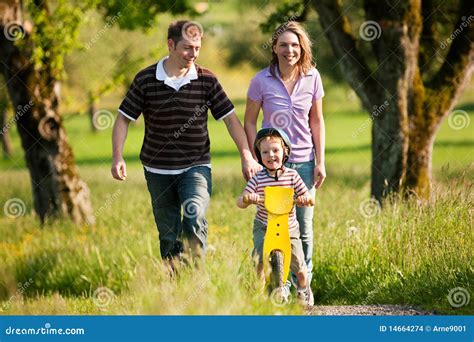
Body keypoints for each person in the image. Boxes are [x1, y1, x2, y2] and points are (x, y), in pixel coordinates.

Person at [111, 20, 259, 269]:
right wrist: (117, 157)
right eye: (187, 48)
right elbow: (123, 120)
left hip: (196, 165)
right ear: (171, 45)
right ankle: (176, 284)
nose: (193, 54)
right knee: (169, 234)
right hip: (157, 169)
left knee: (194, 216)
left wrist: (247, 155)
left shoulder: (206, 79)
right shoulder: (146, 79)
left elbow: (231, 121)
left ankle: (195, 276)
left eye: (197, 48)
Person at [244, 21, 326, 304]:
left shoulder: (312, 77)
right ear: (274, 48)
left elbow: (317, 121)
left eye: (295, 45)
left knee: (302, 227)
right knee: (269, 227)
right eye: (283, 45)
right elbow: (250, 121)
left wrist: (320, 161)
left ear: (302, 48)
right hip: (271, 165)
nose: (289, 50)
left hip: (304, 160)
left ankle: (303, 286)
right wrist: (256, 158)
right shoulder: (260, 81)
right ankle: (278, 288)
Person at [237, 128, 313, 304]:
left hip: (289, 228)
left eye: (275, 150)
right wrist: (248, 199)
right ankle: (258, 293)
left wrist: (305, 199)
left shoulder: (293, 176)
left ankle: (303, 290)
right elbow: (240, 201)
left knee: (299, 267)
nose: (271, 155)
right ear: (259, 155)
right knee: (260, 262)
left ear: (285, 151)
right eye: (265, 152)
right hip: (264, 225)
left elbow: (307, 196)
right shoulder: (258, 178)